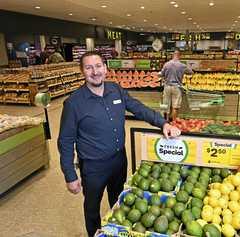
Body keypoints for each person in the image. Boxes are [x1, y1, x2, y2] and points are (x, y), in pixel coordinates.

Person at [57, 51, 181, 237]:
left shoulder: (116, 90)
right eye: (89, 67)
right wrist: (70, 175)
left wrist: (163, 123)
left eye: (98, 66)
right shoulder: (73, 103)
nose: (95, 71)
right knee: (92, 207)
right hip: (93, 167)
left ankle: (116, 230)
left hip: (118, 160)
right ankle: (94, 234)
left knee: (119, 202)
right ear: (82, 71)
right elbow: (65, 141)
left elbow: (138, 108)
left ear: (105, 68)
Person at [160, 49, 193, 121]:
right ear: (179, 56)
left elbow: (161, 74)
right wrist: (189, 67)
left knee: (165, 104)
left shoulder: (166, 64)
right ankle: (173, 122)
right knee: (175, 106)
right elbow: (191, 72)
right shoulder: (182, 65)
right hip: (177, 87)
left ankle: (165, 120)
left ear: (173, 55)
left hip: (167, 87)